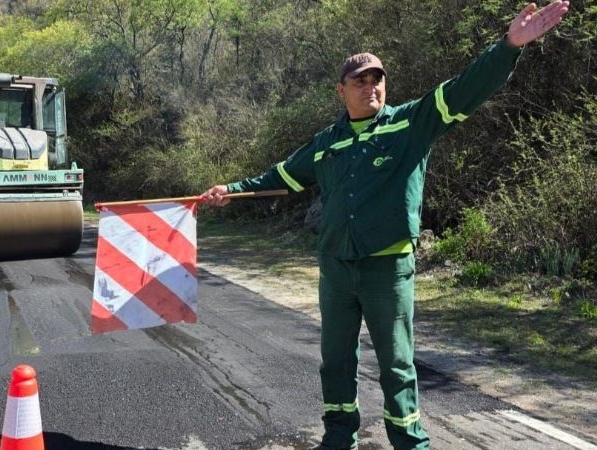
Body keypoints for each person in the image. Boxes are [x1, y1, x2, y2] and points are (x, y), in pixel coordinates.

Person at [201, 3, 569, 449]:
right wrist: (231, 189)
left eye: (377, 79)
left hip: (388, 269)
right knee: (336, 362)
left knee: (396, 364)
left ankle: (409, 441)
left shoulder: (410, 124)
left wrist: (508, 46)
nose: (370, 86)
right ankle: (339, 438)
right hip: (336, 269)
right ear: (341, 90)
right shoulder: (326, 143)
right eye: (360, 80)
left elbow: (464, 90)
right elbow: (281, 176)